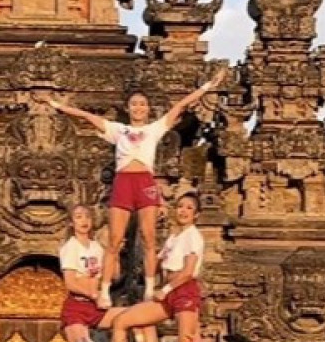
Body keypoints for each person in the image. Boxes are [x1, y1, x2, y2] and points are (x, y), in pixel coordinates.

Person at [49, 71, 223, 305]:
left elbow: (181, 105)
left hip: (145, 182)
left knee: (149, 238)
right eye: (134, 104)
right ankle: (104, 291)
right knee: (114, 240)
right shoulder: (118, 130)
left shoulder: (154, 129)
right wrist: (57, 105)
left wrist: (208, 86)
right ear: (128, 108)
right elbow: (86, 117)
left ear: (148, 109)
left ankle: (150, 288)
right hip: (124, 182)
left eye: (142, 104)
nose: (138, 108)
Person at [112, 193, 206, 342]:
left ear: (196, 214)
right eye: (180, 206)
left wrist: (165, 289)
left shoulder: (193, 236)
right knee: (124, 320)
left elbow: (187, 272)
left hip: (183, 291)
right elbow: (154, 264)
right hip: (167, 292)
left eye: (189, 208)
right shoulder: (173, 237)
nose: (183, 211)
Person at [60, 205, 128, 342]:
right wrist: (93, 294)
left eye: (87, 216)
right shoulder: (71, 247)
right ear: (71, 223)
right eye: (79, 217)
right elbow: (70, 283)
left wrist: (115, 252)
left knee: (132, 317)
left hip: (97, 307)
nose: (84, 220)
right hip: (78, 307)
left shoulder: (96, 247)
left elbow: (114, 275)